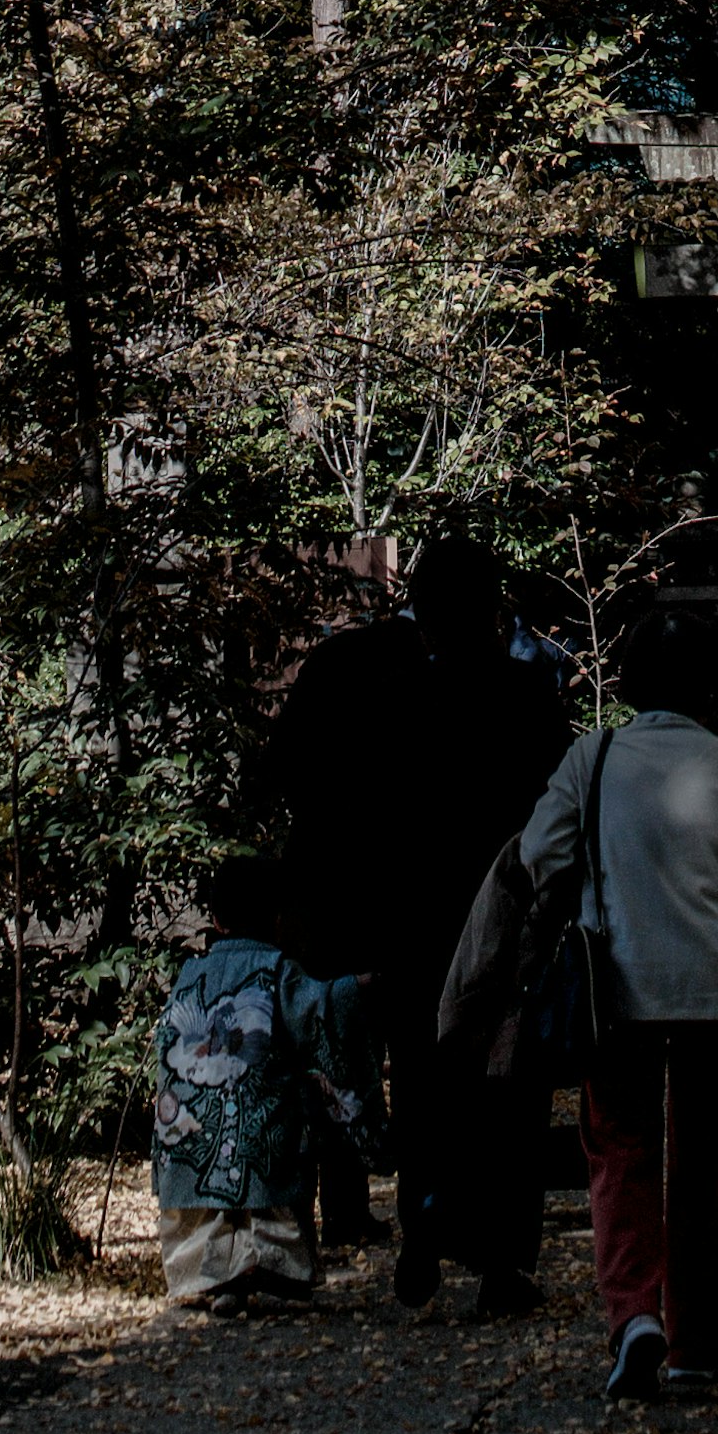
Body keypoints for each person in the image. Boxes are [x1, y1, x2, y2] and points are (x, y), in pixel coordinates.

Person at [258, 527, 574, 1314]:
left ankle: (424, 1225)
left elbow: (352, 810)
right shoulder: (528, 698)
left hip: (411, 920)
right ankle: (502, 1259)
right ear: (494, 611)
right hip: (502, 920)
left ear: (423, 615)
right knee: (507, 1092)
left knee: (426, 1080)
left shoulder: (395, 702)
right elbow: (556, 815)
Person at [518, 620, 718, 1403]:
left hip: (615, 988)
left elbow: (537, 855)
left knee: (618, 1149)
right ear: (702, 693)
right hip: (710, 992)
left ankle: (633, 1313)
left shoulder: (593, 760)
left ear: (623, 690)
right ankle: (698, 1341)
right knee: (706, 1166)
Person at [150, 855, 371, 1312]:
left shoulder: (190, 975)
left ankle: (213, 1277)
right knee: (270, 1157)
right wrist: (358, 986)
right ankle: (269, 1267)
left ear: (215, 918)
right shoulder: (279, 970)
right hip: (260, 1119)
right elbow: (320, 1011)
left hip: (192, 1122)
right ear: (277, 917)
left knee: (207, 1180)